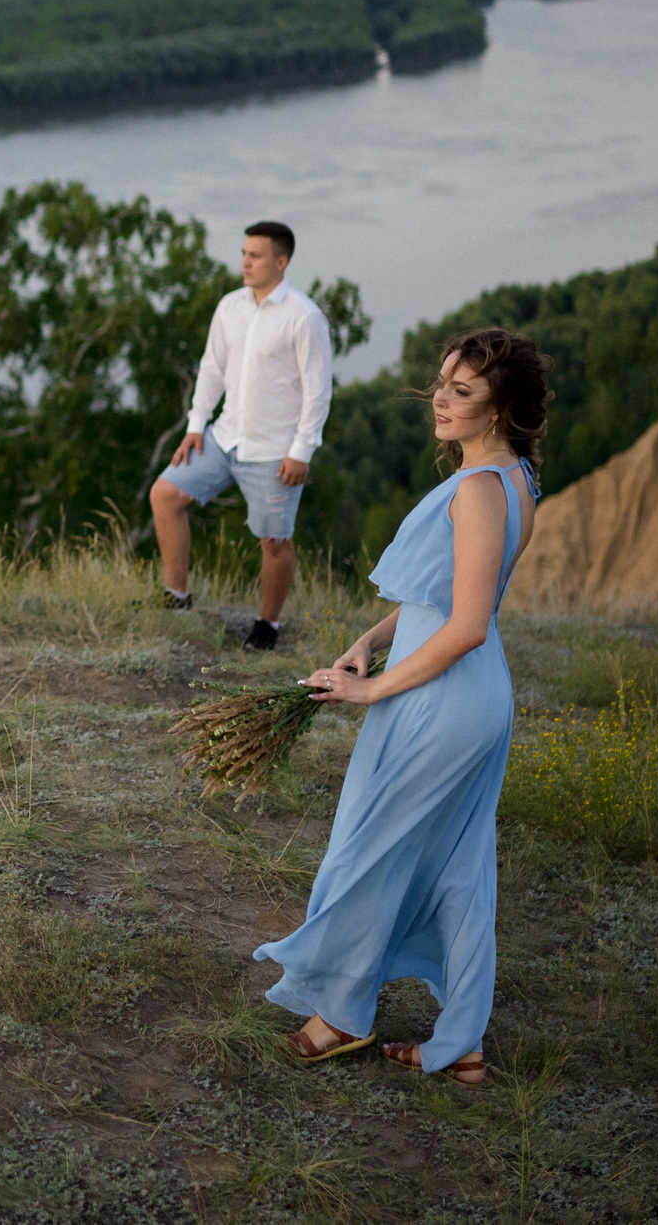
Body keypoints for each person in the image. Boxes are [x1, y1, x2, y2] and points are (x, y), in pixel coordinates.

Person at [249, 327, 552, 1087]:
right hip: (463, 690)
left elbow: (469, 624)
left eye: (462, 392)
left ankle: (344, 1014)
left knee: (370, 850)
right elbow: (442, 602)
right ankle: (463, 1044)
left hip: (445, 699)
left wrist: (371, 688)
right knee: (455, 867)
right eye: (441, 385)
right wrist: (369, 641)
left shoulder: (482, 490)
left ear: (501, 407)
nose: (440, 402)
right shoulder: (515, 479)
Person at [150, 219, 331, 648]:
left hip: (274, 452)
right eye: (244, 254)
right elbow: (211, 370)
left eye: (256, 256)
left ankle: (267, 625)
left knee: (274, 541)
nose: (245, 262)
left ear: (281, 262)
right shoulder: (230, 306)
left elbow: (318, 392)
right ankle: (176, 597)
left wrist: (301, 452)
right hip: (223, 438)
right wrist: (196, 426)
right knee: (165, 496)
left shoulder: (304, 317)